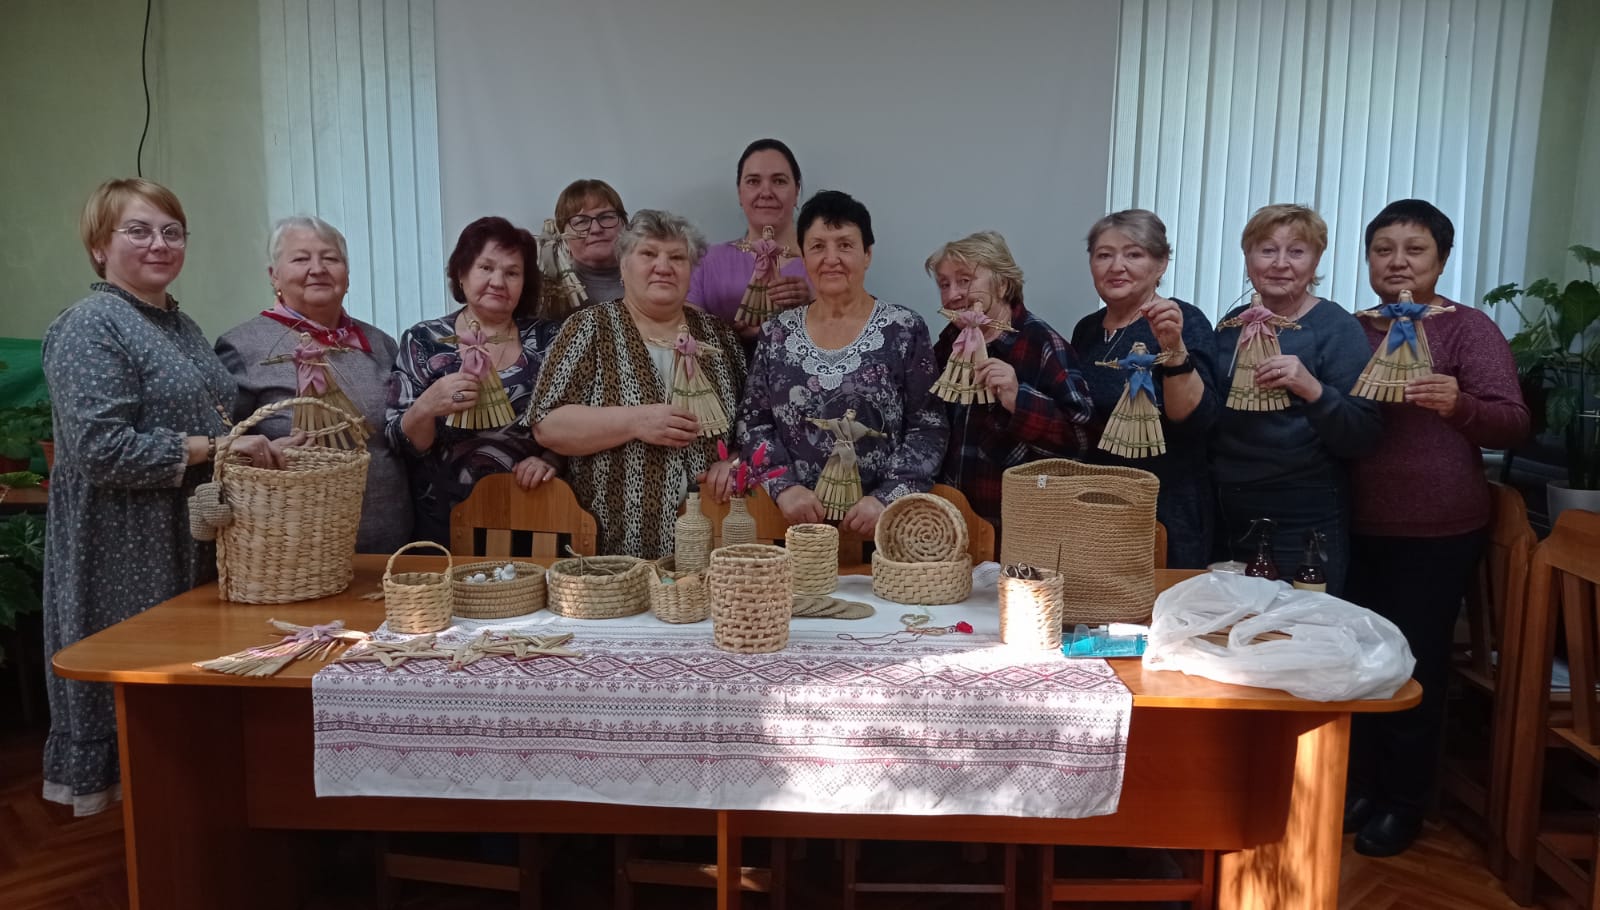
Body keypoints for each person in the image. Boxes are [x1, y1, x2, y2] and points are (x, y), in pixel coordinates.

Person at [41, 178, 294, 816]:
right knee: (145, 706)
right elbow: (100, 451)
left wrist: (258, 445)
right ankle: (160, 850)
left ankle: (199, 833)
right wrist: (213, 449)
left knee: (191, 712)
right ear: (99, 246)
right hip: (124, 546)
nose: (159, 244)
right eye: (138, 230)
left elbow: (216, 418)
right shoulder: (91, 324)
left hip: (187, 539)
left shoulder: (176, 323)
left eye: (171, 231)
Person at [1342, 199, 1529, 857]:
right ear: (1366, 260)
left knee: (1413, 664)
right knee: (1353, 661)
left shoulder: (1466, 330)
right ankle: (1358, 786)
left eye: (1413, 249)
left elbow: (1512, 420)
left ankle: (1404, 802)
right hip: (1349, 521)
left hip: (1436, 526)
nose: (1396, 261)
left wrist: (1461, 404)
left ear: (1441, 260)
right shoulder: (1348, 328)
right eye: (1382, 249)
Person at [533, 210, 745, 558]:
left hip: (712, 547)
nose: (664, 266)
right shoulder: (587, 329)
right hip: (611, 549)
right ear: (623, 266)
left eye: (677, 257)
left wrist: (733, 463)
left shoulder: (719, 337)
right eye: (648, 254)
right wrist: (636, 421)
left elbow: (749, 427)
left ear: (691, 272)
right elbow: (547, 425)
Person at [737, 190, 947, 536]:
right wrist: (783, 486)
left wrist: (888, 497)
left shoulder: (904, 329)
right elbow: (753, 423)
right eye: (818, 246)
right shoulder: (776, 334)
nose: (831, 258)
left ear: (867, 255)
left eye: (845, 245)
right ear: (802, 257)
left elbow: (929, 427)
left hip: (885, 532)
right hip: (791, 530)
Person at [1211, 204, 1382, 593]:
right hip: (1228, 508)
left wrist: (1312, 388)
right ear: (1248, 257)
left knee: (1302, 630)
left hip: (1305, 510)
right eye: (1267, 250)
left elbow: (1363, 434)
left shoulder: (1336, 327)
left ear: (1316, 260)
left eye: (1297, 251)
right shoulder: (1230, 326)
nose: (1280, 263)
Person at [215, 215, 412, 552]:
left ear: (347, 276)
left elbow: (400, 434)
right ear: (274, 275)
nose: (317, 268)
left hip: (388, 538)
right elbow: (223, 447)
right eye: (301, 258)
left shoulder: (379, 343)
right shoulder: (242, 346)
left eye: (330, 258)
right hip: (294, 544)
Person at [385, 217, 561, 544]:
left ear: (525, 284)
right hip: (442, 520)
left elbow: (574, 418)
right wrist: (426, 406)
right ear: (462, 274)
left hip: (532, 512)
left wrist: (549, 459)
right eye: (486, 267)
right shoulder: (425, 339)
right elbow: (399, 441)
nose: (498, 281)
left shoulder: (550, 339)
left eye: (512, 273)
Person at [1070, 211, 1221, 568]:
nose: (1116, 266)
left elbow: (1199, 420)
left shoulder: (1183, 320)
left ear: (1161, 263)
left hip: (1166, 506)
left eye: (1133, 254)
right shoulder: (1087, 330)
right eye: (1104, 255)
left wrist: (1173, 349)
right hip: (1100, 502)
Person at [925, 230, 1094, 528]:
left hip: (1019, 528)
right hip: (951, 525)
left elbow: (1081, 443)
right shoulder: (948, 344)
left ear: (1002, 285)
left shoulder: (1042, 343)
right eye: (944, 284)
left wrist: (1021, 400)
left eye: (965, 281)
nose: (952, 295)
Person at [687, 138, 812, 337]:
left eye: (779, 181)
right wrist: (728, 334)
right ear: (739, 192)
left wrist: (812, 309)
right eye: (753, 181)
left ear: (796, 191)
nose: (766, 192)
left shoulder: (823, 263)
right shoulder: (707, 262)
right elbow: (684, 335)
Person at [552, 178, 627, 307]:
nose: (596, 229)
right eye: (581, 222)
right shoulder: (551, 297)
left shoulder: (653, 280)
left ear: (625, 224)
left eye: (607, 217)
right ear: (562, 237)